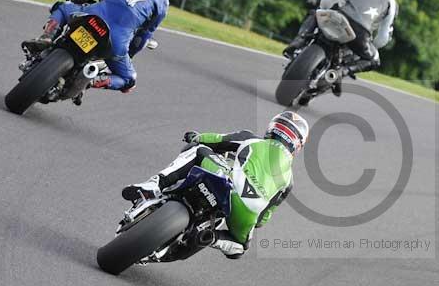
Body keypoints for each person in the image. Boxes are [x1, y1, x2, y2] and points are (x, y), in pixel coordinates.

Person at [121, 111, 309, 259]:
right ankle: (212, 238)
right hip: (247, 212)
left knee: (198, 150)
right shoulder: (289, 181)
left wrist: (196, 137)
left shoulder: (252, 139)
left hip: (228, 181)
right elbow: (263, 220)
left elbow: (215, 140)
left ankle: (154, 185)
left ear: (272, 129)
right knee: (240, 248)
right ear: (297, 145)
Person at [24, 0, 172, 93]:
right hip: (116, 42)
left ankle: (47, 37)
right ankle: (91, 80)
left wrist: (77, 1)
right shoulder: (163, 3)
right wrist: (129, 55)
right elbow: (142, 38)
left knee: (63, 7)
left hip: (91, 16)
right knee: (129, 79)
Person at [283, 0, 399, 97]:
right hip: (360, 35)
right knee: (374, 60)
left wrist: (325, 9)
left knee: (316, 13)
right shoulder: (392, 3)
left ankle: (298, 42)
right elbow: (384, 37)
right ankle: (341, 72)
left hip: (338, 19)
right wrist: (372, 46)